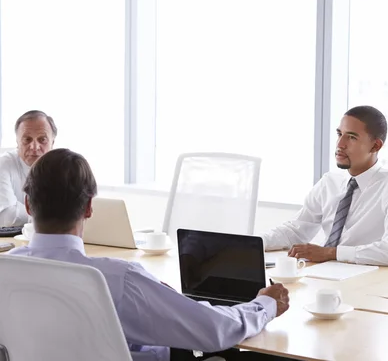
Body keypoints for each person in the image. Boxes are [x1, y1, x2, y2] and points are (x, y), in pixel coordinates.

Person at [8, 148, 290, 361]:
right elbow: (215, 331)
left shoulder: (6, 271)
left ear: (29, 206)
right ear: (89, 208)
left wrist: (156, 299)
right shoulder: (118, 280)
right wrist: (264, 305)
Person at [261, 106, 388, 267]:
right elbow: (296, 230)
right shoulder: (330, 181)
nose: (340, 144)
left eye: (352, 137)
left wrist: (331, 253)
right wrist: (254, 243)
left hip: (365, 277)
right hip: (323, 272)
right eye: (339, 134)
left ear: (375, 146)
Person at [0, 110, 56, 227]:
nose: (34, 147)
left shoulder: (64, 167)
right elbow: (6, 217)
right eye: (27, 139)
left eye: (42, 140)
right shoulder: (3, 163)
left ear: (53, 142)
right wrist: (50, 217)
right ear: (17, 142)